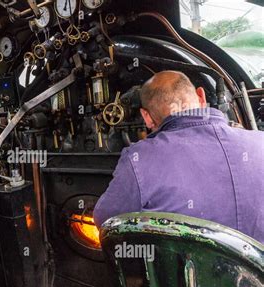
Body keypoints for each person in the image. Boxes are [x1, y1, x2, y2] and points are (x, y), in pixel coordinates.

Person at [93, 71, 264, 243]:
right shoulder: (260, 142)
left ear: (147, 117)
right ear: (201, 96)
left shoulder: (139, 160)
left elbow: (106, 222)